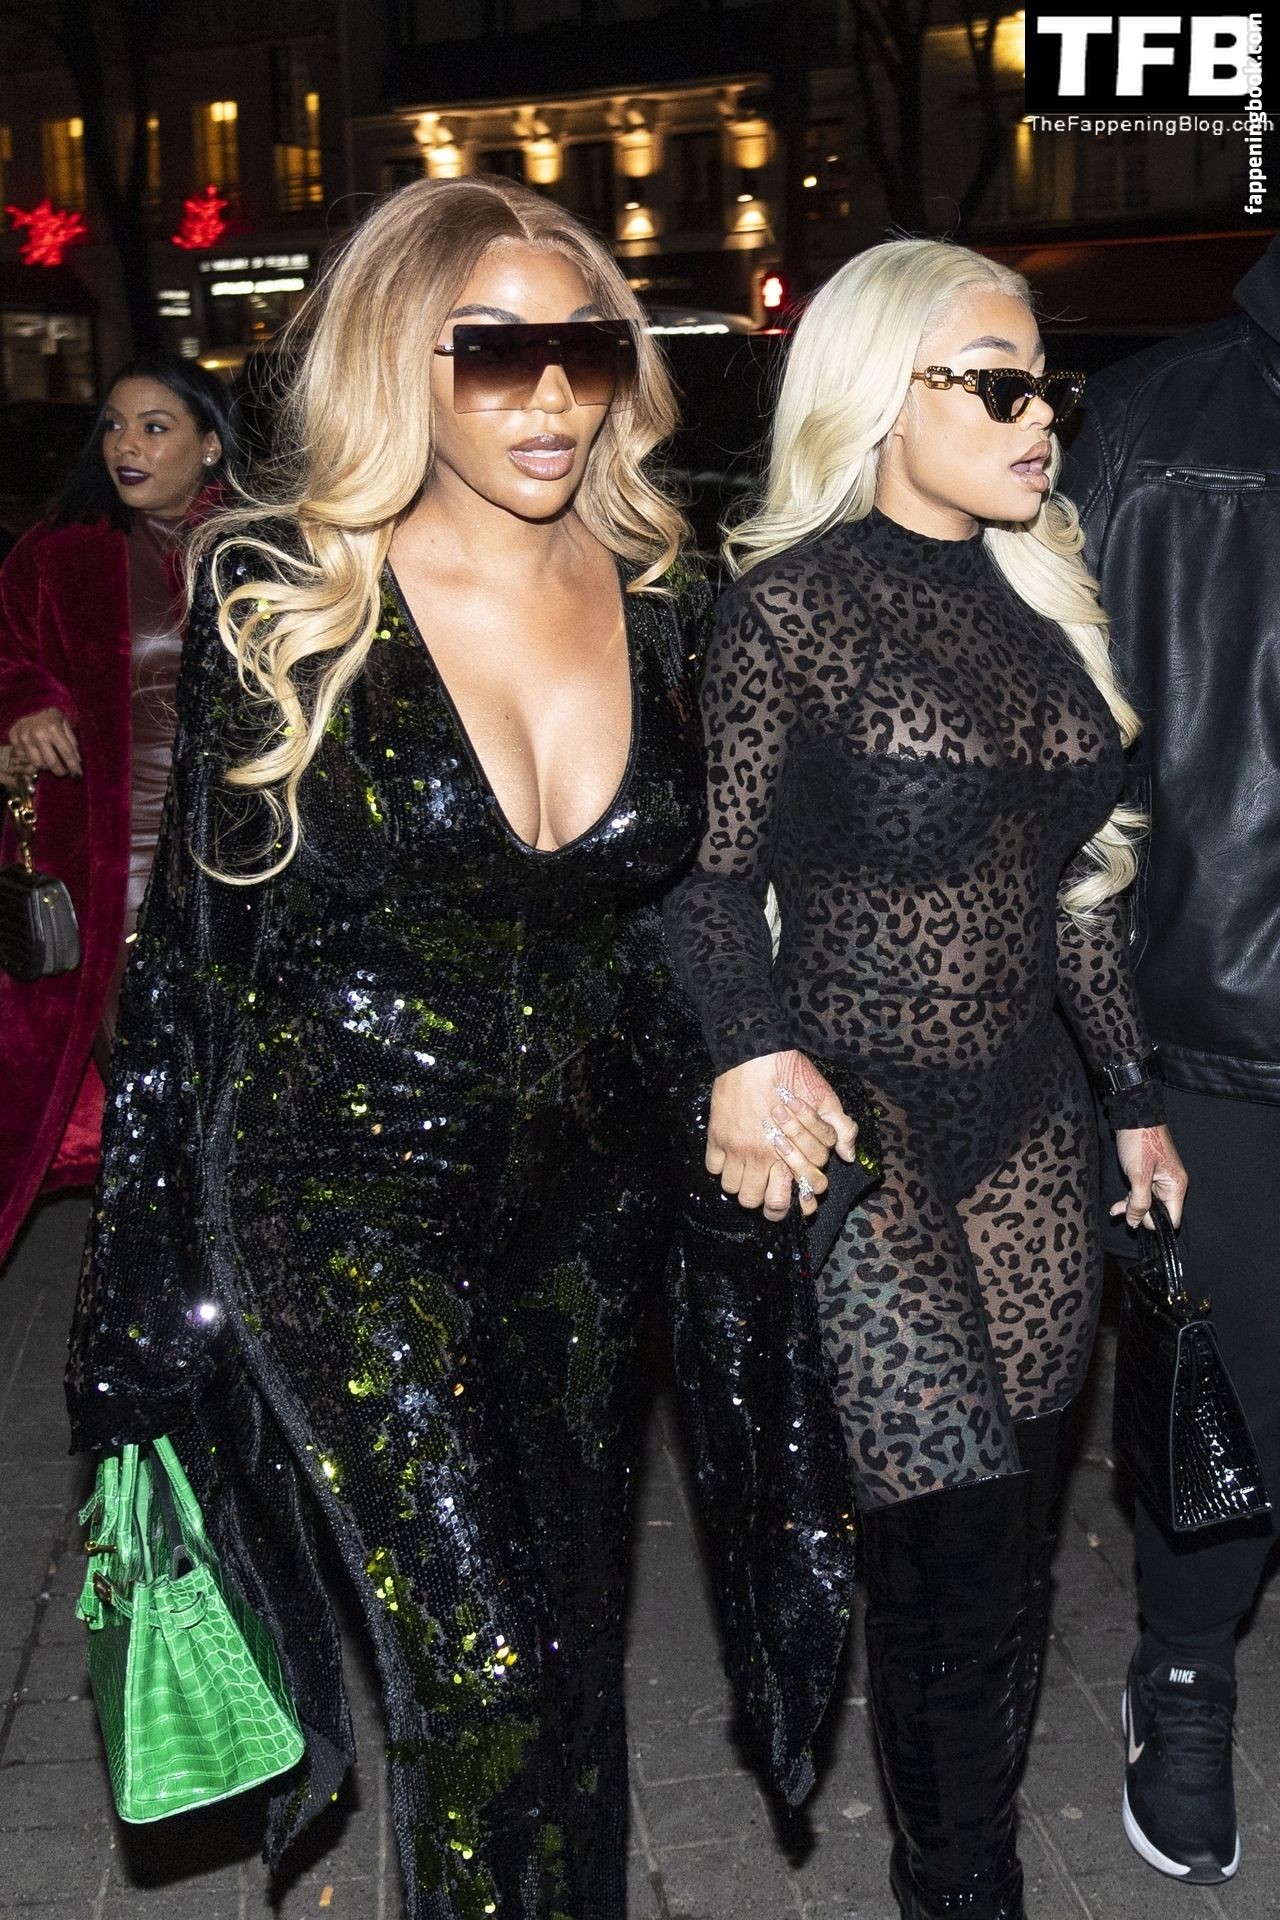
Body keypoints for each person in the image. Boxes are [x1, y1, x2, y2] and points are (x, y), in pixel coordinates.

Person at [64, 177, 849, 1919]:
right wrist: (133, 1312)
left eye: (586, 349)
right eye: (495, 353)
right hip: (343, 1196)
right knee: (480, 1679)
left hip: (592, 1204)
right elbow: (190, 967)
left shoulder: (662, 588)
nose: (552, 395)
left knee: (566, 1675)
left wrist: (751, 1049)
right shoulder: (285, 587)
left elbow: (689, 900)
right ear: (400, 363)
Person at [664, 238, 1189, 1920]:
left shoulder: (1043, 614)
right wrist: (750, 1049)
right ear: (886, 392)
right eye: (1002, 384)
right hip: (865, 1125)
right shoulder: (791, 612)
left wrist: (1134, 1098)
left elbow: (1071, 901)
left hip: (1029, 1122)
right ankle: (965, 1893)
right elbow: (703, 884)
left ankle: (963, 1865)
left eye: (1051, 387)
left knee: (1016, 1542)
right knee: (947, 1547)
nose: (1044, 421)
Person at [1061, 233, 1280, 1889]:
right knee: (1233, 1385)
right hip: (1224, 1006)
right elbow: (1070, 742)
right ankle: (1186, 1670)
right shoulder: (1153, 427)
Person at [0, 353, 234, 1263]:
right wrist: (25, 706)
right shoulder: (61, 552)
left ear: (210, 444)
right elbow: (8, 650)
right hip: (116, 866)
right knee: (148, 1083)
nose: (125, 445)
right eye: (113, 426)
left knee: (235, 1087)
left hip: (244, 862)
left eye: (154, 426)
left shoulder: (265, 549)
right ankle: (170, 1279)